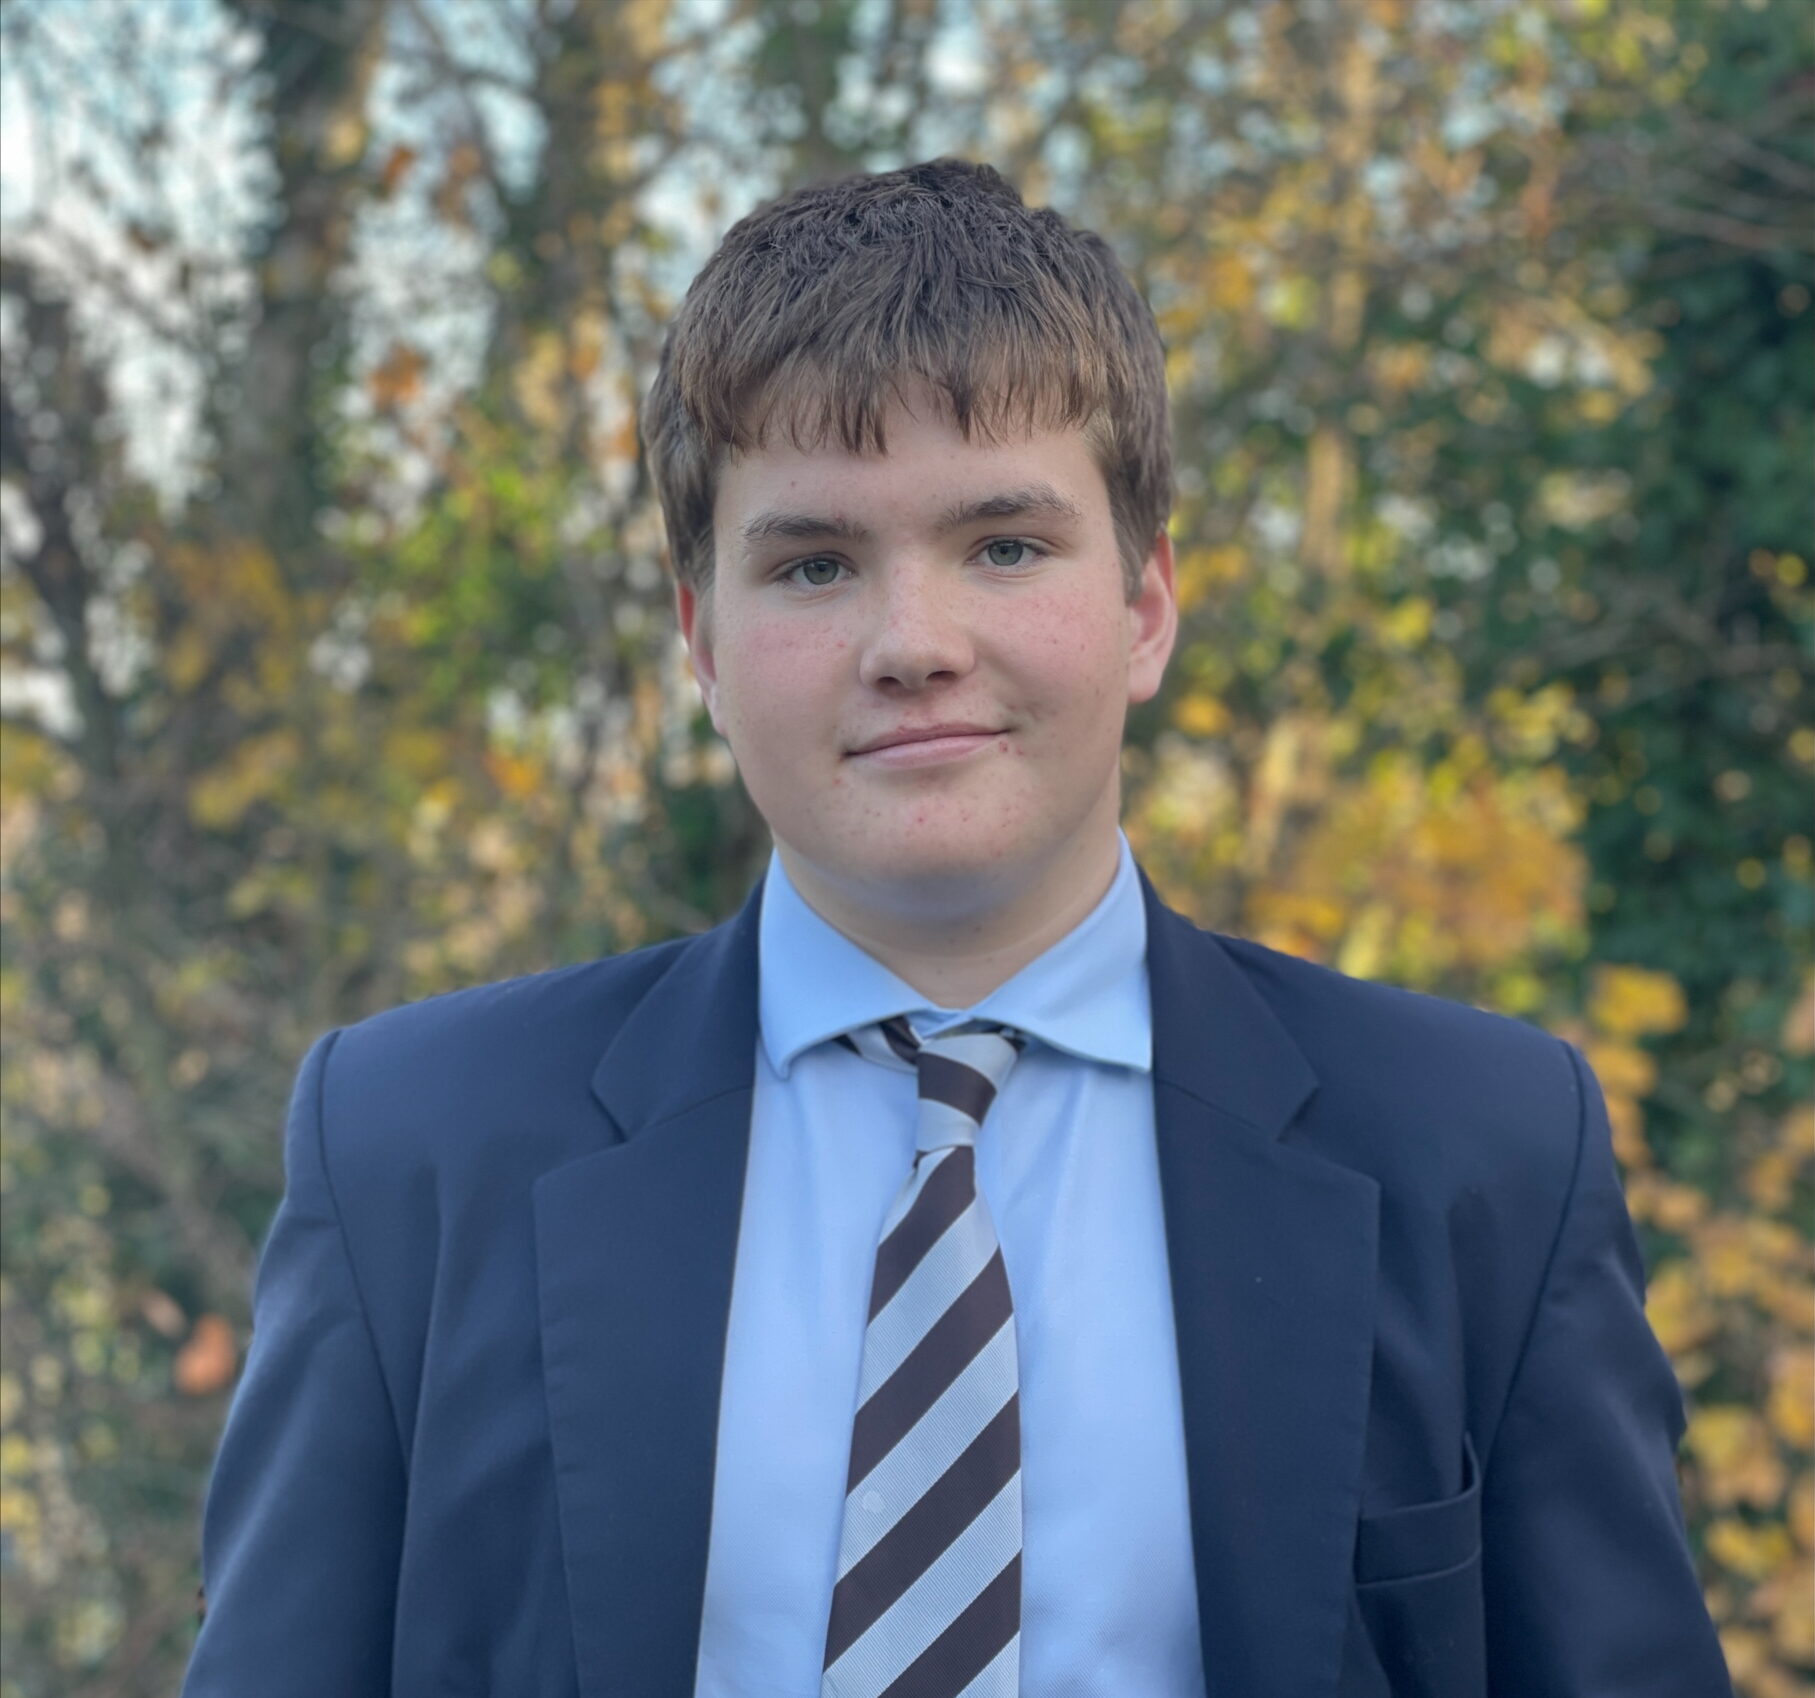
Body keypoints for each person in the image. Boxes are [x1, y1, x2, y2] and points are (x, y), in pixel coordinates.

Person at [182, 158, 1732, 1698]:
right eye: (814, 564)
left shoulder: (1478, 1154)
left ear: (1145, 603)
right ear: (702, 639)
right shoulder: (412, 1152)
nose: (912, 643)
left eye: (1003, 544)